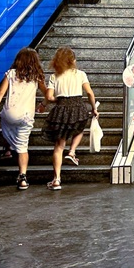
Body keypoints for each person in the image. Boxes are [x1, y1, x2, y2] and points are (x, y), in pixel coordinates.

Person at [0, 47, 49, 190]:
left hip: (9, 114)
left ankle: (7, 149)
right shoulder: (37, 76)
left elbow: (1, 92)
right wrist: (43, 105)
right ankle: (22, 177)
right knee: (22, 148)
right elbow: (47, 94)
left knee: (5, 122)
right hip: (26, 116)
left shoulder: (11, 74)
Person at [42, 46, 98, 190]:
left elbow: (49, 97)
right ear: (72, 60)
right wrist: (94, 108)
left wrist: (56, 101)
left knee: (59, 146)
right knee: (79, 129)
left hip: (61, 109)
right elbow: (90, 93)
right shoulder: (80, 74)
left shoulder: (55, 76)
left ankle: (56, 180)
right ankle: (72, 151)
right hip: (78, 106)